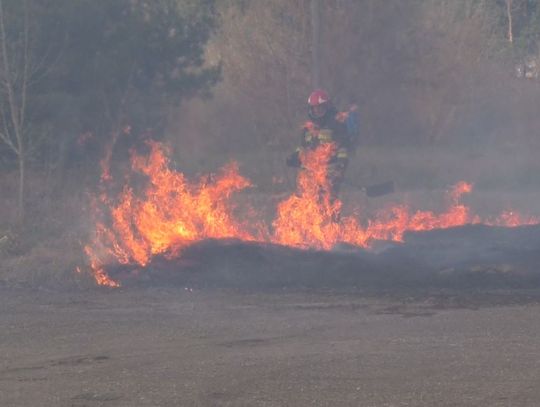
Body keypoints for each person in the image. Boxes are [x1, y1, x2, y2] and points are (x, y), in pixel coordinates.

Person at [286, 89, 358, 205]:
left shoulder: (336, 123)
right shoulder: (308, 127)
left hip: (331, 169)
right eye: (315, 108)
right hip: (311, 171)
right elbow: (303, 147)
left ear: (327, 107)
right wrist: (295, 156)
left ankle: (331, 217)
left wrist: (341, 164)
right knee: (310, 201)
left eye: (320, 107)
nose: (317, 110)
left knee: (328, 201)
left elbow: (343, 146)